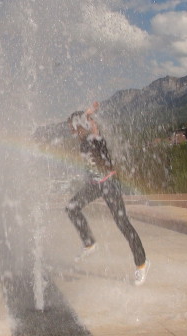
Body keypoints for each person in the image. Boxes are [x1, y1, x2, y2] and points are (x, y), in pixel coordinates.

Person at [62, 101, 149, 285]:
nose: (71, 131)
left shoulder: (95, 139)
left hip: (109, 183)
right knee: (71, 208)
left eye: (73, 127)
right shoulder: (83, 143)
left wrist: (87, 114)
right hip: (94, 184)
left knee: (122, 222)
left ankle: (142, 264)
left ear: (81, 126)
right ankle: (89, 243)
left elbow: (95, 129)